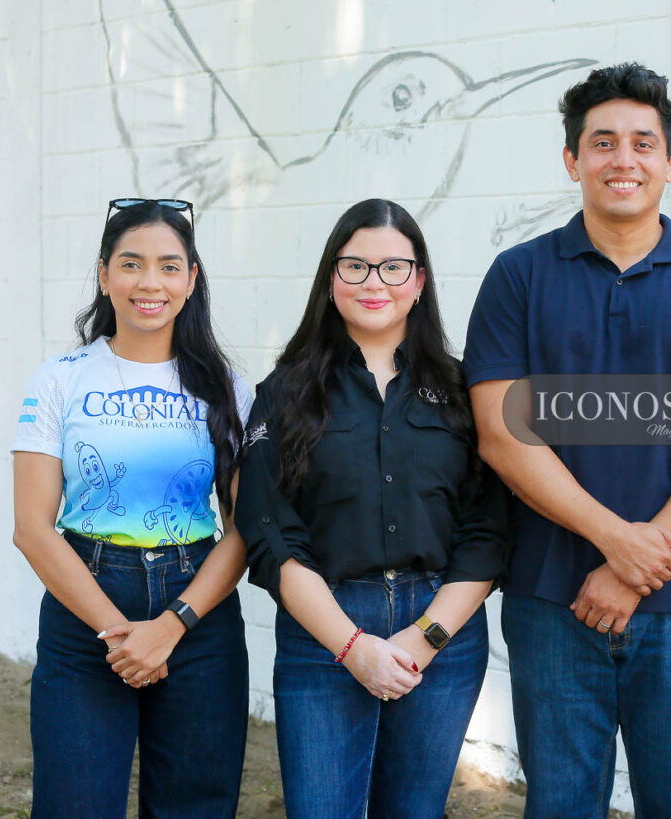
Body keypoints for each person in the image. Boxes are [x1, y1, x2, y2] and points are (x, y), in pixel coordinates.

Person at [463, 63, 671, 818]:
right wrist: (615, 542)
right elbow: (500, 436)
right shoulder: (517, 277)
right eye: (602, 142)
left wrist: (635, 568)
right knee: (560, 804)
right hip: (553, 599)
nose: (622, 159)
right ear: (573, 160)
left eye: (642, 143)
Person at [235, 198, 509, 819]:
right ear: (331, 278)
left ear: (419, 280)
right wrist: (352, 646)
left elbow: (488, 528)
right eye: (355, 266)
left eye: (393, 267)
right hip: (324, 628)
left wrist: (426, 636)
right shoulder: (283, 393)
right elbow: (270, 530)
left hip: (441, 629)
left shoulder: (463, 391)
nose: (374, 283)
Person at [11, 198, 252, 818]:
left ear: (191, 279)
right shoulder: (60, 378)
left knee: (195, 807)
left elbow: (244, 529)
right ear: (104, 275)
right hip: (85, 606)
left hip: (197, 615)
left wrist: (172, 625)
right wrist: (118, 635)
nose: (151, 283)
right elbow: (32, 529)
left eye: (169, 266)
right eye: (131, 264)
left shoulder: (228, 386)